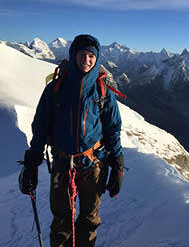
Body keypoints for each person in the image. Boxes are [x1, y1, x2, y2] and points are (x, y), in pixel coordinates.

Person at [19, 34, 124, 247]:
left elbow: (113, 128)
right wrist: (32, 160)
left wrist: (117, 160)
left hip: (93, 164)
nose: (86, 60)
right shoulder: (56, 88)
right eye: (82, 54)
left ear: (97, 59)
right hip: (62, 164)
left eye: (91, 56)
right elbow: (40, 125)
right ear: (73, 56)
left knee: (89, 220)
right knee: (61, 222)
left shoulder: (102, 91)